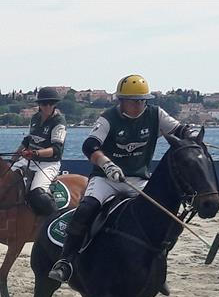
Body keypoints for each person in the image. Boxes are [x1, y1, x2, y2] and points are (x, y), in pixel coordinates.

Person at [48, 74, 199, 286]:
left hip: (137, 179)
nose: (138, 105)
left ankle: (158, 264)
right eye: (133, 101)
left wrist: (191, 136)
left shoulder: (156, 115)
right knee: (86, 209)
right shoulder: (108, 118)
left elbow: (180, 130)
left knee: (166, 217)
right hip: (105, 178)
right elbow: (90, 145)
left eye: (142, 101)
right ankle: (66, 260)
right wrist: (107, 164)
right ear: (121, 101)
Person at [11, 87, 67, 216]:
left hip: (49, 164)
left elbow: (56, 150)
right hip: (29, 160)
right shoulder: (35, 118)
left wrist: (35, 153)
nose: (47, 106)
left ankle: (54, 219)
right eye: (44, 103)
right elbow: (27, 141)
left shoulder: (59, 122)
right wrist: (13, 159)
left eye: (51, 104)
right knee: (5, 180)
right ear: (39, 105)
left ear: (54, 104)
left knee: (38, 193)